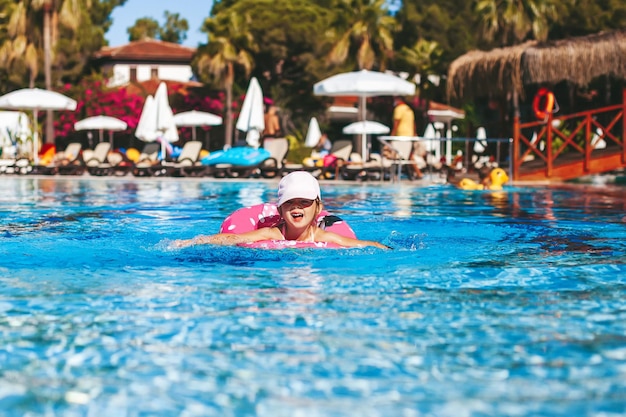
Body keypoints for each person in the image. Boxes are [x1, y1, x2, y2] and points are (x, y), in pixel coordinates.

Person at [173, 171, 389, 249]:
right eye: (290, 202)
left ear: (318, 208)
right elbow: (233, 238)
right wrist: (193, 241)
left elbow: (361, 244)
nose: (296, 207)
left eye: (304, 201)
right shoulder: (271, 234)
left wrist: (383, 247)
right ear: (280, 209)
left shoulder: (326, 237)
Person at [391, 97, 423, 179]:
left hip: (401, 136)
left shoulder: (399, 109)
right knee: (409, 155)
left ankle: (395, 175)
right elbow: (413, 123)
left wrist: (392, 136)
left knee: (398, 156)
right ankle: (416, 174)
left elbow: (396, 123)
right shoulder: (409, 110)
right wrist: (414, 134)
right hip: (410, 136)